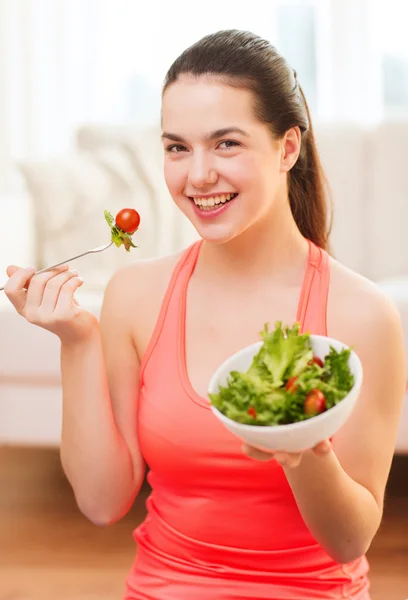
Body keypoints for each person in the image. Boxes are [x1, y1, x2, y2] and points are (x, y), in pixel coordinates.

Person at [4, 29, 406, 600]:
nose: (197, 176)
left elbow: (349, 541)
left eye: (226, 144)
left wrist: (302, 448)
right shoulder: (134, 296)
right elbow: (101, 503)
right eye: (176, 147)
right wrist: (77, 342)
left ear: (288, 147)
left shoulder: (363, 313)